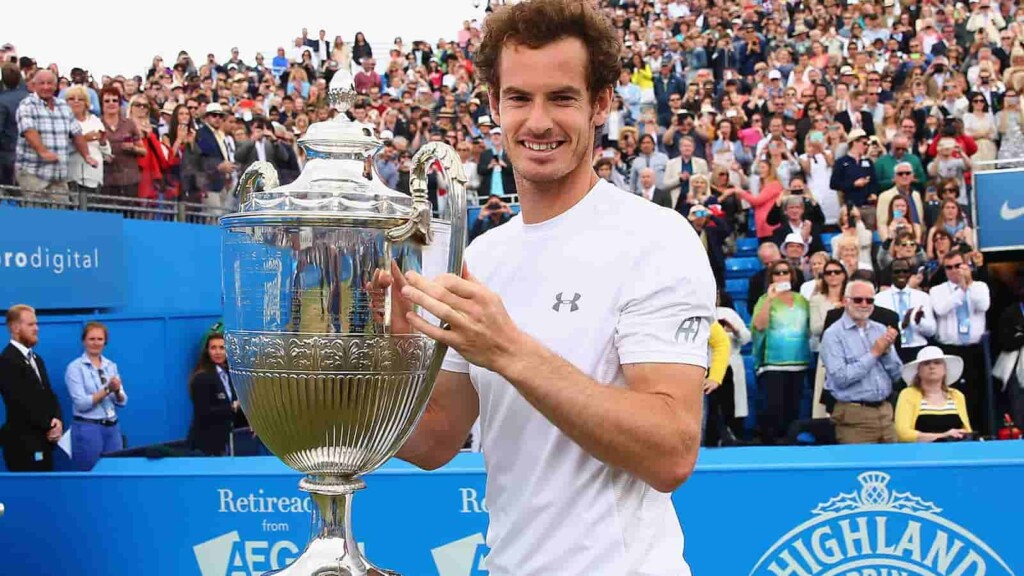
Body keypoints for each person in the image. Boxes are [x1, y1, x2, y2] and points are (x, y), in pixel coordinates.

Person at [393, 2, 715, 573]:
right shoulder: (482, 255)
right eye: (519, 98)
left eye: (561, 98)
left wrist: (510, 350)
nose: (537, 121)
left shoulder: (656, 239)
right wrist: (386, 353)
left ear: (601, 103)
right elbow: (435, 440)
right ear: (494, 104)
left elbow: (670, 451)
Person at [821, 280, 903, 444]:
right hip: (854, 416)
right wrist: (874, 353)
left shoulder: (880, 329)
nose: (864, 304)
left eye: (870, 300)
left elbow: (897, 375)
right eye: (858, 300)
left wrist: (886, 354)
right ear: (846, 301)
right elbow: (841, 378)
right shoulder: (833, 335)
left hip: (886, 413)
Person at [929, 250, 992, 434]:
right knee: (951, 393)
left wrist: (969, 285)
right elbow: (941, 309)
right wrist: (960, 291)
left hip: (974, 349)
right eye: (949, 267)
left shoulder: (980, 286)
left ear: (966, 265)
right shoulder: (937, 290)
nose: (954, 270)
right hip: (949, 348)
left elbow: (983, 305)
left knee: (977, 393)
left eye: (958, 266)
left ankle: (978, 431)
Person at [751, 259, 811, 445]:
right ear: (771, 277)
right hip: (773, 363)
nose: (782, 275)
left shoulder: (802, 300)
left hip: (799, 362)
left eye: (785, 272)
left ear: (792, 276)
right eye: (777, 273)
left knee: (793, 410)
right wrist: (769, 298)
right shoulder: (764, 299)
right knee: (774, 410)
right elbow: (759, 326)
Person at [15, 69, 96, 203]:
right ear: (34, 86)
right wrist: (43, 152)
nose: (46, 87)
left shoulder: (63, 106)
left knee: (60, 215)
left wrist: (86, 155)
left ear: (56, 86)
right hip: (33, 173)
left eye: (50, 83)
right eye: (42, 83)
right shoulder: (27, 105)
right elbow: (29, 130)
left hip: (59, 175)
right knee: (37, 217)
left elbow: (76, 133)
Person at [0, 304, 63, 471]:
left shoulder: (37, 359)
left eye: (36, 324)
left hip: (44, 443)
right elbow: (20, 402)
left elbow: (48, 394)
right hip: (23, 445)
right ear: (15, 327)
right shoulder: (6, 360)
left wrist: (57, 420)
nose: (37, 328)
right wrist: (49, 427)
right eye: (31, 324)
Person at [64, 322, 126, 471]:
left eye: (100, 339)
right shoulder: (74, 368)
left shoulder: (111, 366)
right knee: (90, 472)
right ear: (84, 341)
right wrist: (107, 390)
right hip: (88, 428)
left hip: (112, 428)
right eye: (92, 339)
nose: (96, 343)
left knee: (114, 470)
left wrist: (117, 391)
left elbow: (123, 401)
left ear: (105, 342)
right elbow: (81, 404)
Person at [894, 346, 972, 442]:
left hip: (954, 453)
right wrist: (943, 436)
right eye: (926, 364)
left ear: (945, 369)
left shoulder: (957, 395)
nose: (932, 367)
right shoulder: (908, 394)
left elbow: (967, 430)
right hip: (919, 453)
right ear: (918, 371)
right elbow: (903, 433)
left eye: (937, 363)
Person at [187, 333, 247, 456]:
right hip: (206, 445)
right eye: (213, 348)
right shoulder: (201, 378)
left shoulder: (229, 375)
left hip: (227, 441)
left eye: (222, 347)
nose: (218, 352)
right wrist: (232, 407)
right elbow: (204, 412)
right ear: (207, 351)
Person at [876, 258, 937, 363]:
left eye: (905, 271)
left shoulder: (922, 297)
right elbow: (877, 332)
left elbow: (931, 331)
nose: (901, 275)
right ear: (891, 274)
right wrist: (901, 325)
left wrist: (919, 322)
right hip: (892, 350)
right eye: (897, 271)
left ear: (910, 274)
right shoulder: (879, 299)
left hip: (918, 348)